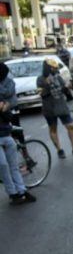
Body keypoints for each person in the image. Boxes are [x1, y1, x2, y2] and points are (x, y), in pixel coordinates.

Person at [0, 63, 35, 205]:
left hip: (6, 132)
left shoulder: (9, 83)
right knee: (3, 166)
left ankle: (21, 191)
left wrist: (5, 105)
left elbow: (11, 104)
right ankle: (13, 193)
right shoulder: (7, 86)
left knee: (12, 165)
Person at [37, 59, 73, 159]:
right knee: (53, 129)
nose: (55, 69)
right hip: (49, 108)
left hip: (61, 105)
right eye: (53, 68)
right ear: (48, 68)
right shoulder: (40, 79)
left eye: (55, 68)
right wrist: (47, 84)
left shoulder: (58, 77)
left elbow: (63, 90)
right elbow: (41, 94)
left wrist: (68, 87)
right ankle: (59, 150)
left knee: (71, 126)